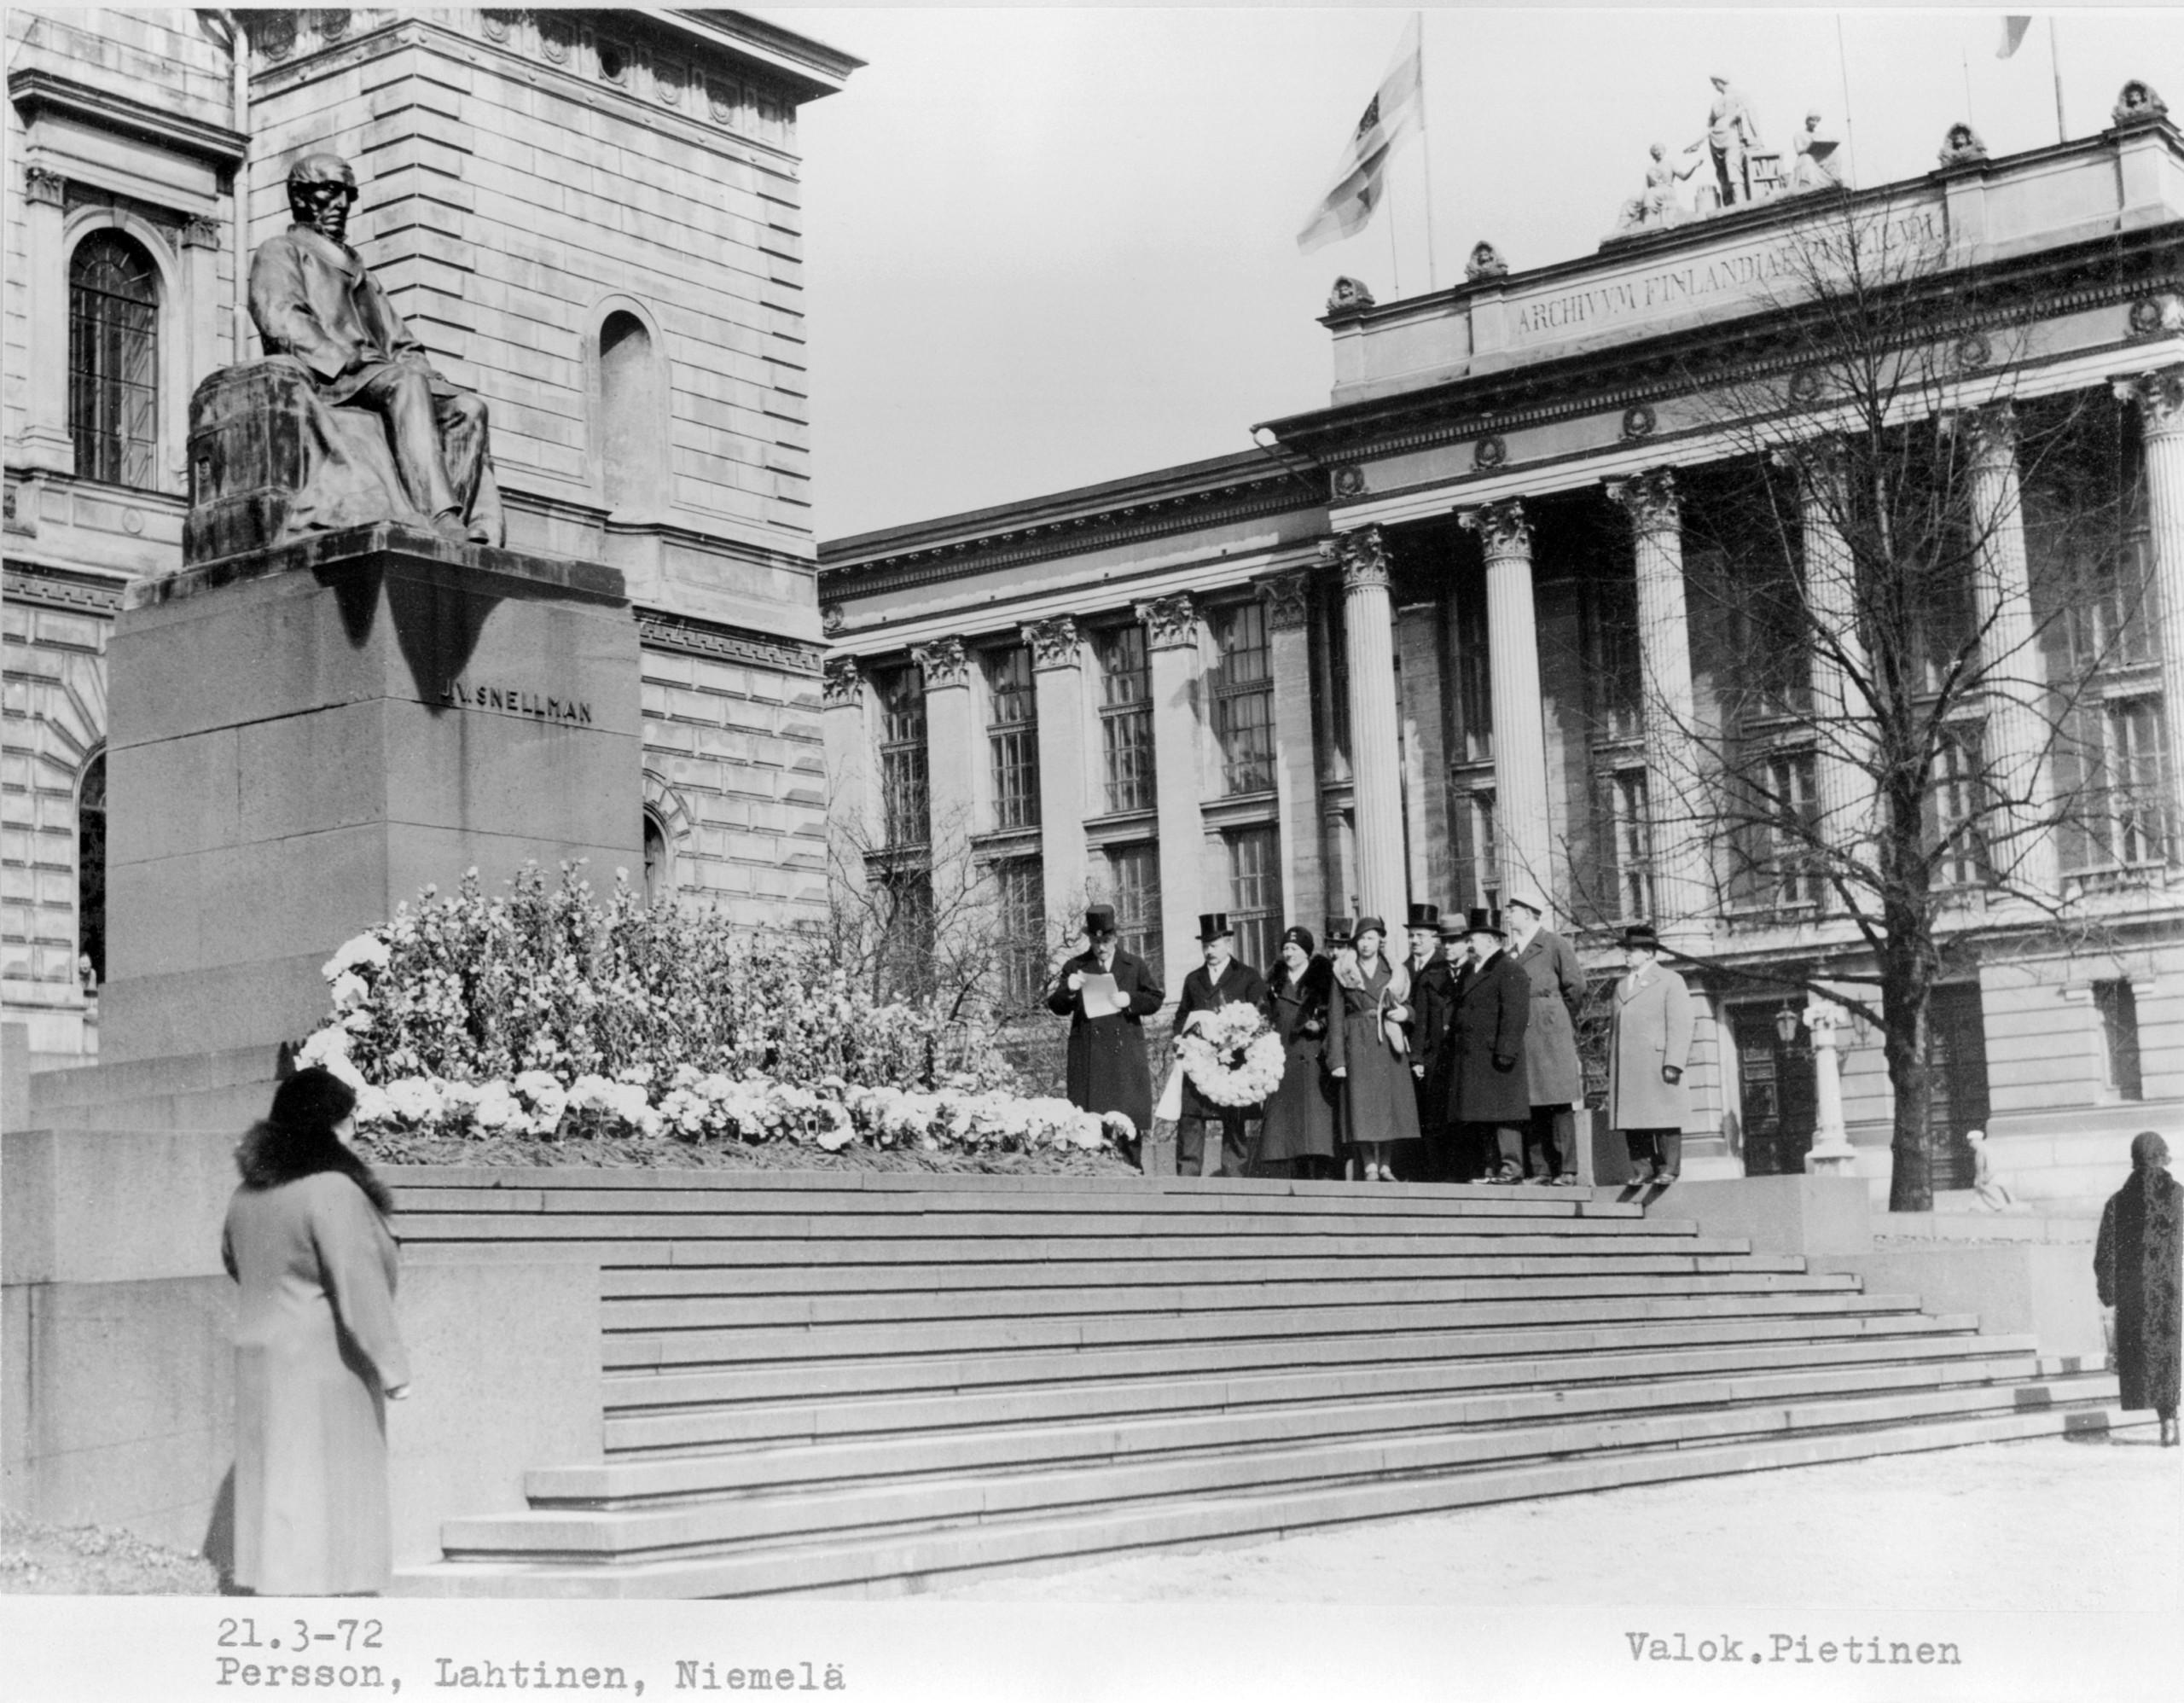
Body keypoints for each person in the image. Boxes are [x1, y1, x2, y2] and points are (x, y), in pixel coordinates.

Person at [222, 1066, 411, 1596]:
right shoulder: (332, 1189)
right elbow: (359, 1283)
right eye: (351, 1121)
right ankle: (332, 1602)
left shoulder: (245, 1195)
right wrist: (393, 1367)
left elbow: (234, 1261)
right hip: (326, 1358)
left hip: (260, 1352)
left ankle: (278, 1589)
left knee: (278, 1484)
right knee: (331, 1487)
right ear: (333, 1125)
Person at [249, 153, 503, 545]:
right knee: (404, 383)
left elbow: (401, 342)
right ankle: (441, 516)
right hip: (330, 377)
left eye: (348, 194)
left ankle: (458, 524)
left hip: (375, 374)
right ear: (300, 197)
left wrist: (427, 374)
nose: (342, 205)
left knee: (469, 407)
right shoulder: (279, 250)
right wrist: (344, 360)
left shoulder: (362, 273)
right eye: (330, 192)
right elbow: (279, 317)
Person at [1048, 904, 1165, 1165]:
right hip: (1090, 1057)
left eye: (1106, 940)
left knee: (1127, 1121)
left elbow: (1156, 998)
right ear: (1089, 939)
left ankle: (1134, 1174)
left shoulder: (1133, 965)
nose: (1101, 947)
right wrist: (1067, 989)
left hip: (1123, 1057)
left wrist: (1131, 999)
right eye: (1096, 940)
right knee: (1090, 1125)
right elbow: (1056, 1006)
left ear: (1116, 938)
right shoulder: (1076, 965)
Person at [2094, 1131, 2181, 1447]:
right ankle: (2171, 1419)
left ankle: (2167, 1422)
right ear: (2162, 1157)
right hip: (2173, 1290)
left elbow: (2105, 1252)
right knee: (2171, 1356)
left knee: (2150, 1358)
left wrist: (2109, 1289)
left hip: (2136, 1294)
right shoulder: (2178, 1196)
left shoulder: (2118, 1202)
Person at [1325, 915, 1421, 1181]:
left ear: (1380, 941)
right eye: (1361, 939)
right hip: (1357, 1041)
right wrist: (1337, 1059)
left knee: (1389, 1103)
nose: (1366, 944)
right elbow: (1334, 1016)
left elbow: (1410, 1005)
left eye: (1371, 938)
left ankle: (1386, 1165)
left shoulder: (1396, 971)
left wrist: (1405, 1013)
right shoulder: (1343, 971)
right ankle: (1368, 1164)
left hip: (1387, 1042)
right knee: (1362, 1104)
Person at [1173, 913, 1268, 1178]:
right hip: (1199, 1059)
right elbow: (1182, 1014)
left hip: (1232, 1060)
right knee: (1191, 1119)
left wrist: (1241, 1033)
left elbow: (1263, 1015)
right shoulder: (1193, 979)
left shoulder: (1247, 976)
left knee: (1234, 1119)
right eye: (1205, 945)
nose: (1209, 951)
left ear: (1228, 943)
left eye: (1214, 945)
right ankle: (1187, 1179)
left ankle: (1234, 1176)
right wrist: (1179, 1034)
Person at [1445, 908, 1531, 1184]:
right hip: (1475, 1059)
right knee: (1483, 1118)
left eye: (1474, 939)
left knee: (1504, 1117)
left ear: (1492, 941)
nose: (1468, 944)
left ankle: (1511, 1169)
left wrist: (1505, 1052)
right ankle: (1491, 1169)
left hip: (1497, 1058)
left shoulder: (1509, 969)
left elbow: (1515, 1014)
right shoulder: (1472, 969)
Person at [1606, 924, 1693, 1192]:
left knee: (1664, 1117)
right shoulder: (1622, 985)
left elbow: (1681, 1023)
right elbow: (1614, 1027)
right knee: (1634, 1119)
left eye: (1631, 950)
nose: (1627, 955)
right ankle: (1643, 1169)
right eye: (1626, 950)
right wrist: (1612, 1063)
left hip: (1657, 1062)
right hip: (1628, 1066)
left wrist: (1674, 1061)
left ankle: (1669, 1169)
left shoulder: (1670, 980)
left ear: (1648, 952)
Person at [1506, 894, 1586, 1184]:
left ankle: (1567, 1169)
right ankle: (1540, 1169)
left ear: (1528, 913)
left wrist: (1558, 1016)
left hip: (1550, 1029)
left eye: (1513, 910)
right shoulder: (1512, 951)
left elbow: (1575, 986)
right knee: (1531, 1101)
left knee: (1558, 1101)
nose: (1508, 916)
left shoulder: (1553, 943)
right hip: (1524, 1031)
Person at [1255, 927, 1339, 1180]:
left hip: (1310, 1057)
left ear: (1306, 953)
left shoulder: (1323, 981)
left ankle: (1318, 1174)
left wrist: (1321, 1025)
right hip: (1282, 1058)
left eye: (1295, 949)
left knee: (1314, 1124)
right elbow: (1264, 1016)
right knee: (1285, 1125)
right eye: (1286, 949)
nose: (1289, 953)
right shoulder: (1274, 984)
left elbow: (1333, 1014)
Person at [1403, 904, 1456, 1182]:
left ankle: (1440, 1171)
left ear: (1434, 938)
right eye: (1411, 936)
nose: (1415, 941)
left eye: (1420, 936)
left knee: (1438, 1113)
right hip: (1409, 1053)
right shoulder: (1402, 969)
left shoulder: (1443, 967)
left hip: (1435, 1051)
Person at [1693, 74, 1763, 206]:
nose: (1714, 87)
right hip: (1715, 139)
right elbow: (1709, 125)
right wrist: (1698, 143)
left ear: (1721, 82)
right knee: (1722, 172)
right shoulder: (1715, 103)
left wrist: (1738, 116)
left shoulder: (1739, 96)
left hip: (1731, 135)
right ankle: (1729, 201)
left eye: (1715, 83)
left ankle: (1740, 200)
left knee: (1733, 165)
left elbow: (1750, 114)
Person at [1967, 1129, 2018, 1212]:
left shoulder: (1983, 1150)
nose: (1970, 1144)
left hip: (1987, 1180)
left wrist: (1984, 1179)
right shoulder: (1984, 1149)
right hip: (1984, 1180)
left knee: (1996, 1200)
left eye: (1971, 1141)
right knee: (1979, 1199)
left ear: (1976, 1140)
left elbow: (1989, 1167)